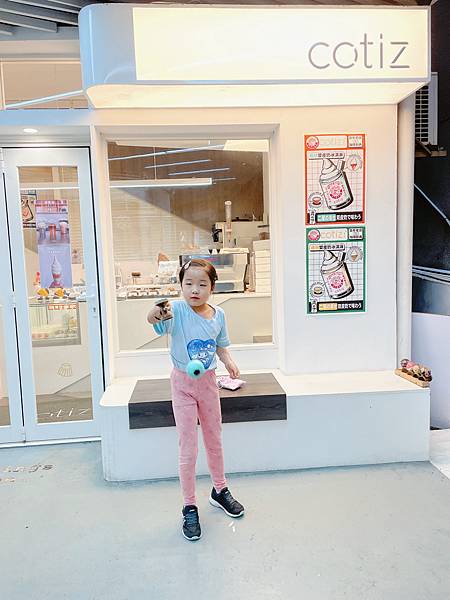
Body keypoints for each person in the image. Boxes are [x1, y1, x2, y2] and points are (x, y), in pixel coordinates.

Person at [147, 258, 245, 541]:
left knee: (214, 439)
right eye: (188, 283)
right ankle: (189, 505)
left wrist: (229, 362)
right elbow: (153, 319)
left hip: (208, 383)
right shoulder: (176, 310)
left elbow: (220, 346)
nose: (194, 289)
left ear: (212, 287)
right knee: (188, 447)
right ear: (181, 285)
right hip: (182, 385)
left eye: (202, 284)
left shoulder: (219, 314)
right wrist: (155, 312)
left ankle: (219, 490)